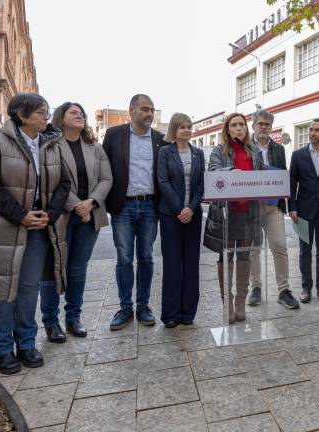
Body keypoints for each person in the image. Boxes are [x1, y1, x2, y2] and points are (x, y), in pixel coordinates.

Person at [0, 93, 71, 374]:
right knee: (2, 291)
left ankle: (27, 344)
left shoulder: (52, 144)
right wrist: (20, 215)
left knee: (29, 289)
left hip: (39, 228)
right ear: (21, 114)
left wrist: (49, 214)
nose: (46, 116)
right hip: (4, 227)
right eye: (41, 112)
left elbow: (65, 184)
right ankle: (4, 350)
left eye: (47, 111)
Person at [39, 102, 112, 343]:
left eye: (82, 113)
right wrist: (76, 206)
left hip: (90, 216)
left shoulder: (94, 147)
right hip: (60, 215)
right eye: (74, 112)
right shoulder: (50, 144)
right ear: (61, 118)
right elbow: (52, 181)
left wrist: (90, 203)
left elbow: (106, 178)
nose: (79, 115)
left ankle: (73, 318)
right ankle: (51, 321)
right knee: (53, 269)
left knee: (78, 270)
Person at [103, 94, 164, 330]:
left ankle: (143, 306)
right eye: (145, 109)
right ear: (132, 110)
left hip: (150, 206)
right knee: (125, 258)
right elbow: (103, 168)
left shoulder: (160, 139)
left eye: (152, 110)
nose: (149, 113)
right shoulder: (114, 135)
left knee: (147, 257)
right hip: (123, 206)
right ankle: (125, 308)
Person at [206, 113, 260, 323]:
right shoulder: (219, 151)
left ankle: (240, 302)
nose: (239, 128)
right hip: (227, 213)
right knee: (226, 256)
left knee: (245, 255)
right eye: (235, 125)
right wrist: (231, 171)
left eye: (242, 125)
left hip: (249, 213)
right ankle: (226, 302)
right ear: (227, 129)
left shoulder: (254, 151)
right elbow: (212, 171)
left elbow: (261, 175)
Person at [247, 110, 300, 310]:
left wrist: (287, 206)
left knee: (279, 246)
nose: (263, 127)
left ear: (271, 127)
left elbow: (283, 178)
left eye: (267, 125)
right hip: (251, 207)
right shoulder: (244, 147)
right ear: (253, 125)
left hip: (273, 206)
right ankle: (256, 288)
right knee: (253, 249)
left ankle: (284, 290)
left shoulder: (278, 149)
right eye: (260, 124)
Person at [157, 113, 205, 328]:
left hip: (193, 216)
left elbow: (201, 185)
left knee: (191, 264)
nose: (186, 130)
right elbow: (163, 181)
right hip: (171, 215)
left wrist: (191, 208)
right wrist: (179, 208)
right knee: (173, 264)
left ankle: (188, 314)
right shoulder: (165, 152)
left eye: (189, 126)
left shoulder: (199, 154)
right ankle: (170, 314)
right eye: (182, 127)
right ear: (174, 130)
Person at [289, 119, 319, 303]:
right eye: (311, 130)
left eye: (317, 130)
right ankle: (306, 287)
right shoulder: (298, 155)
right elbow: (292, 183)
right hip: (303, 210)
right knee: (304, 250)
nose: (312, 133)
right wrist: (292, 207)